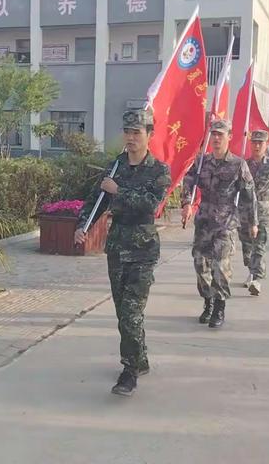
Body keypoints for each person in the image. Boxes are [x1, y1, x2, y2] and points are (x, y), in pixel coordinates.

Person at [74, 109, 171, 397]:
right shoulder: (115, 165)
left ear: (149, 135)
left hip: (143, 250)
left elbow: (151, 205)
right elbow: (97, 200)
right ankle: (139, 359)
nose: (130, 137)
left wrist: (120, 190)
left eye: (136, 132)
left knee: (131, 313)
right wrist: (83, 226)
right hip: (117, 248)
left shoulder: (159, 170)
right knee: (123, 313)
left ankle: (128, 371)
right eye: (127, 132)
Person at [181, 120, 258, 328]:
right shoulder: (201, 162)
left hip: (225, 223)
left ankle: (220, 307)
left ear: (229, 137)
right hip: (204, 221)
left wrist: (252, 222)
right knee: (200, 265)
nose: (216, 138)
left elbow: (249, 195)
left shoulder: (237, 164)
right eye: (213, 134)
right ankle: (208, 301)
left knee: (220, 267)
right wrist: (187, 203)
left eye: (220, 135)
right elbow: (187, 181)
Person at [238, 130, 269, 296]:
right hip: (244, 211)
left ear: (266, 145)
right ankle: (251, 271)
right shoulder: (243, 164)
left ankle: (256, 279)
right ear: (250, 144)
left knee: (259, 245)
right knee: (246, 247)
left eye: (261, 143)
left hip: (262, 211)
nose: (257, 145)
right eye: (254, 142)